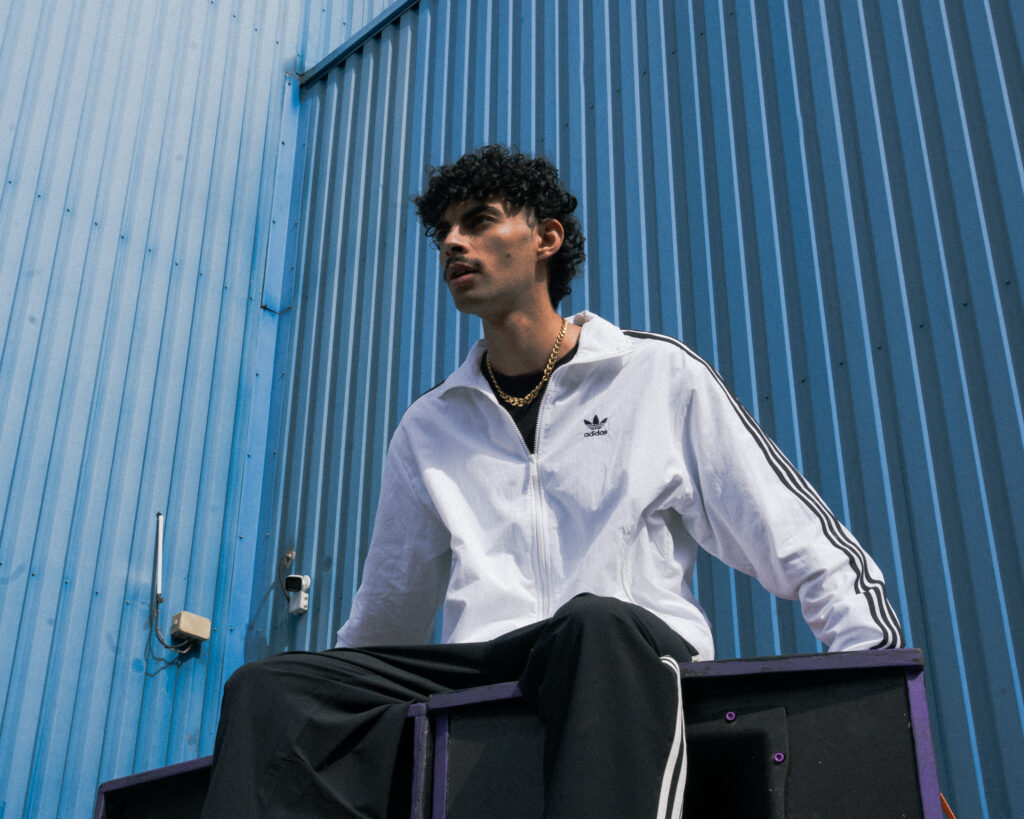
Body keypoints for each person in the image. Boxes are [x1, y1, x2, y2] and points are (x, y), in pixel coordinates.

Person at [202, 145, 903, 817]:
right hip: (494, 661)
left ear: (546, 238)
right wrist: (334, 696)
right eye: (444, 231)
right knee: (270, 686)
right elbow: (386, 616)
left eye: (478, 221)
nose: (453, 243)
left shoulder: (656, 376)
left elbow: (795, 537)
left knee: (593, 619)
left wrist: (878, 682)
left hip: (624, 654)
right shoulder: (428, 428)